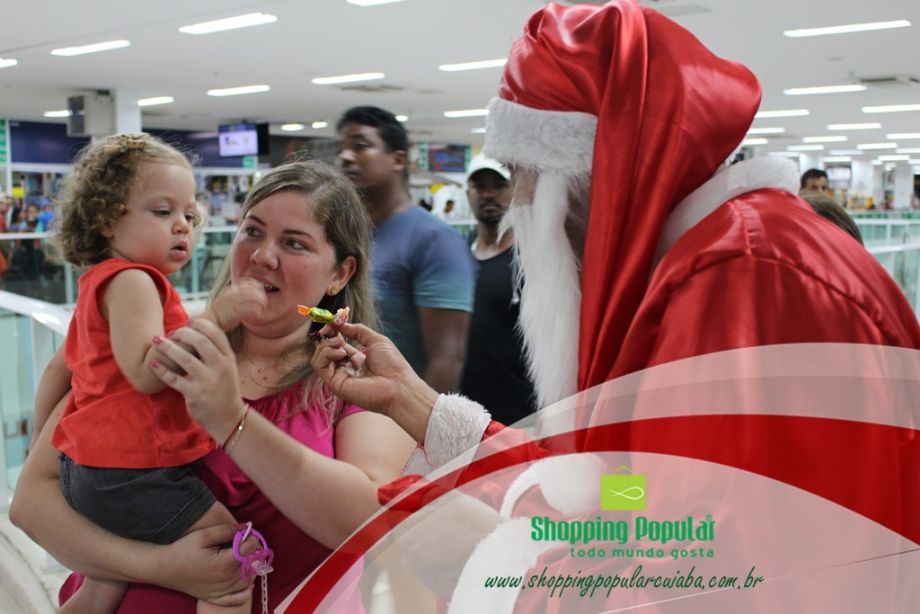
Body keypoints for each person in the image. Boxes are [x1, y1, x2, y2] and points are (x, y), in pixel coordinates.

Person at [303, 1, 920, 607]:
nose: (518, 201)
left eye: (523, 172)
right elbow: (631, 493)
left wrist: (495, 561)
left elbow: (723, 582)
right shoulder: (701, 271)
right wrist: (417, 405)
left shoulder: (747, 285)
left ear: (592, 172)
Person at [11, 159, 417, 612]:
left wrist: (232, 421)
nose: (263, 256)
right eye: (253, 232)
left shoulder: (356, 380)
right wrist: (161, 566)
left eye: (294, 243)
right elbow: (32, 504)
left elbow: (369, 523)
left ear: (340, 273)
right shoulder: (161, 343)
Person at [31, 132, 268, 614]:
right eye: (162, 212)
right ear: (107, 220)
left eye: (189, 215)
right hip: (128, 472)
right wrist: (219, 316)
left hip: (91, 468)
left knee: (100, 590)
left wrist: (47, 444)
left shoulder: (100, 284)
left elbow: (59, 371)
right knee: (230, 554)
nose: (182, 226)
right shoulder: (135, 281)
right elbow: (147, 370)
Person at [336, 105, 475, 393]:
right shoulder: (348, 233)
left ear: (398, 159)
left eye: (361, 146)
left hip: (397, 411)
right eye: (343, 148)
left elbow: (446, 359)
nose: (345, 157)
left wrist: (422, 421)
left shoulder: (435, 240)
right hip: (345, 406)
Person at [458, 155, 535, 424]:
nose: (488, 194)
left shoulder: (529, 261)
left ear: (514, 190)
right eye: (480, 186)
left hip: (520, 418)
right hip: (467, 418)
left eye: (498, 185)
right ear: (468, 194)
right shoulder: (457, 260)